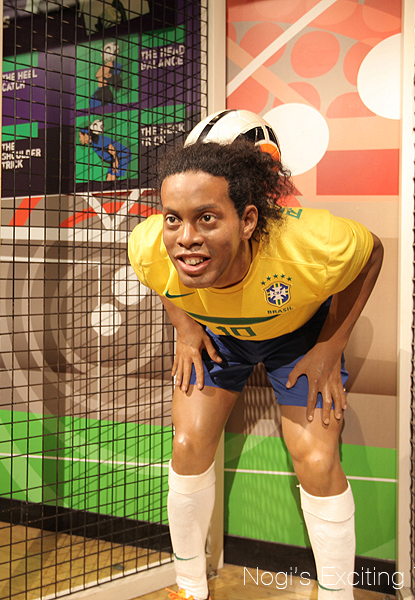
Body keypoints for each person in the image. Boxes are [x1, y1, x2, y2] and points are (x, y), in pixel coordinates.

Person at [127, 140, 383, 600]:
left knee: (317, 460)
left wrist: (330, 346)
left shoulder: (310, 242)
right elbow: (161, 277)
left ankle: (336, 595)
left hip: (297, 337)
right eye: (173, 219)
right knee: (187, 445)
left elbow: (371, 254)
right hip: (221, 338)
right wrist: (185, 329)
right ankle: (189, 586)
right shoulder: (148, 247)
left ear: (247, 220)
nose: (186, 237)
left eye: (207, 217)